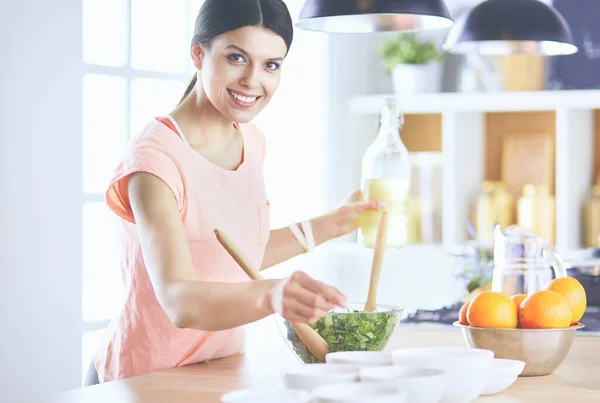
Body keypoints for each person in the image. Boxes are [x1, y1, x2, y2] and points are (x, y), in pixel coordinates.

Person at [85, 0, 384, 385]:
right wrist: (272, 295)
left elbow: (230, 254)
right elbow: (179, 300)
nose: (252, 80)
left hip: (217, 369)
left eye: (270, 65)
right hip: (144, 378)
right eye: (237, 57)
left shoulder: (250, 142)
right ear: (198, 53)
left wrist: (328, 226)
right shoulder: (154, 161)